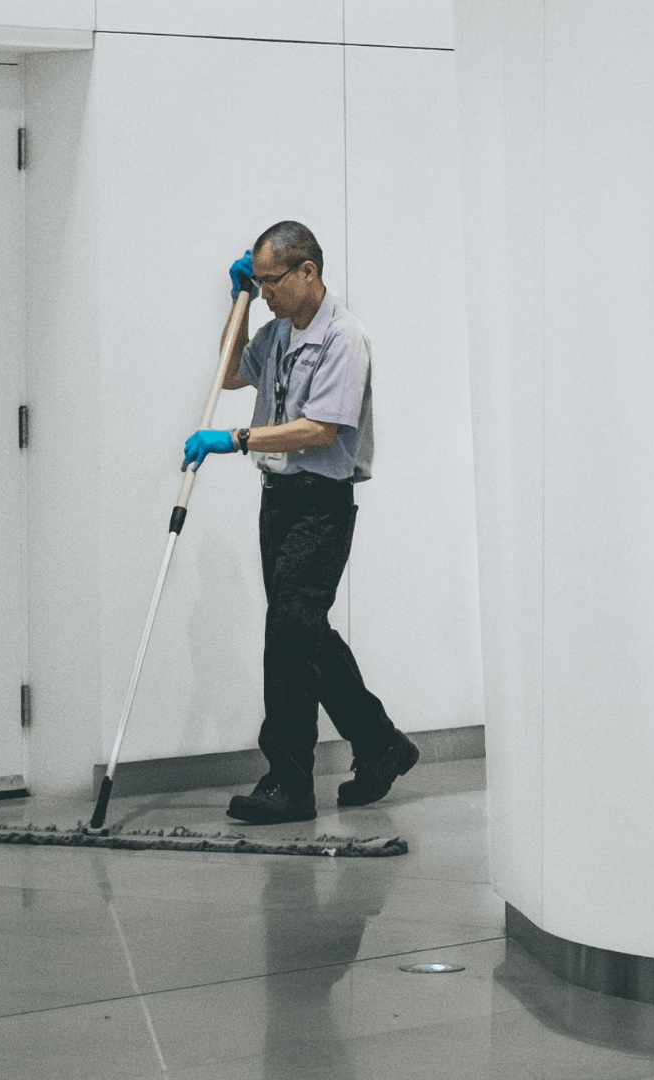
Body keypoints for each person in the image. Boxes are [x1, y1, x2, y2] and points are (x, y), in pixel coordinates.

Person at [181, 220, 418, 824]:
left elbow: (321, 429)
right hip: (278, 498)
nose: (265, 294)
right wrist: (234, 305)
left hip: (321, 502)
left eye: (270, 282)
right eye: (256, 283)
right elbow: (230, 373)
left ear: (307, 271)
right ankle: (381, 744)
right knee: (304, 634)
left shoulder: (344, 337)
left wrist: (234, 437)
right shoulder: (276, 331)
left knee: (289, 637)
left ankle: (289, 781)